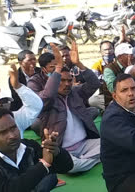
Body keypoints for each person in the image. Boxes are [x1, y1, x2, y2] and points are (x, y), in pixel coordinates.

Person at [35, 44, 101, 174]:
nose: (67, 84)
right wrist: (58, 67)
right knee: (72, 167)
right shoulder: (47, 100)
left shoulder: (75, 92)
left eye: (69, 80)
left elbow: (94, 84)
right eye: (62, 80)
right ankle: (83, 162)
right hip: (62, 150)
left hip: (85, 145)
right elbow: (48, 94)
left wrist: (79, 63)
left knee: (111, 143)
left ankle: (82, 161)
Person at [0, 108, 73, 192]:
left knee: (50, 176)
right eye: (3, 132)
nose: (12, 135)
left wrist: (56, 152)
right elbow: (6, 189)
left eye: (13, 128)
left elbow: (66, 167)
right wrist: (44, 164)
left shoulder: (30, 147)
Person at [0, 64, 43, 146]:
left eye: (6, 101)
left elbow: (35, 106)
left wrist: (18, 86)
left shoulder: (15, 118)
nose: (3, 106)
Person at [103, 42, 134, 106]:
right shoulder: (109, 70)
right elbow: (113, 89)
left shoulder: (133, 65)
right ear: (120, 57)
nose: (131, 56)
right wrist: (129, 72)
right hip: (114, 103)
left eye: (132, 54)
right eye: (128, 54)